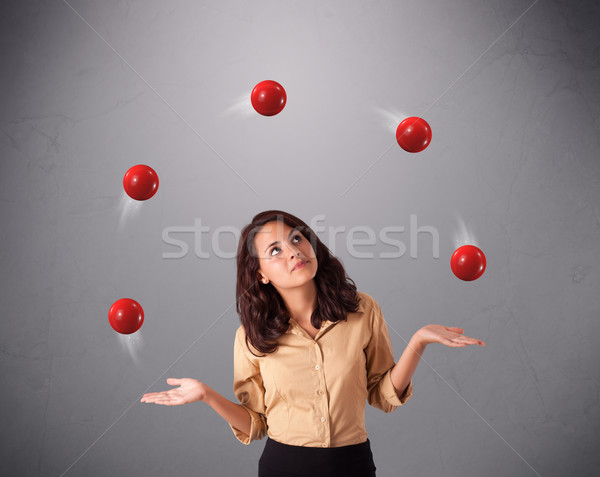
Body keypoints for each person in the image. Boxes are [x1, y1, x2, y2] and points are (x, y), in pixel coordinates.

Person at [141, 210, 486, 477]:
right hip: (283, 467)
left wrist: (418, 342)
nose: (293, 251)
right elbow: (257, 423)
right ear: (260, 274)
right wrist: (206, 394)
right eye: (275, 250)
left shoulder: (363, 310)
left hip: (353, 465)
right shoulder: (251, 335)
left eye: (297, 239)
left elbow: (382, 396)